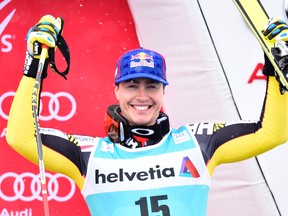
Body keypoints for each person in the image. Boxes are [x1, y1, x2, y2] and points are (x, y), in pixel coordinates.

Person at [5, 14, 288, 216]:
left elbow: (272, 133)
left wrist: (275, 71)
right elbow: (21, 138)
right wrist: (34, 66)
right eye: (132, 85)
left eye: (152, 85)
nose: (142, 96)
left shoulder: (198, 142)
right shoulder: (89, 155)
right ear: (116, 91)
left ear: (164, 92)